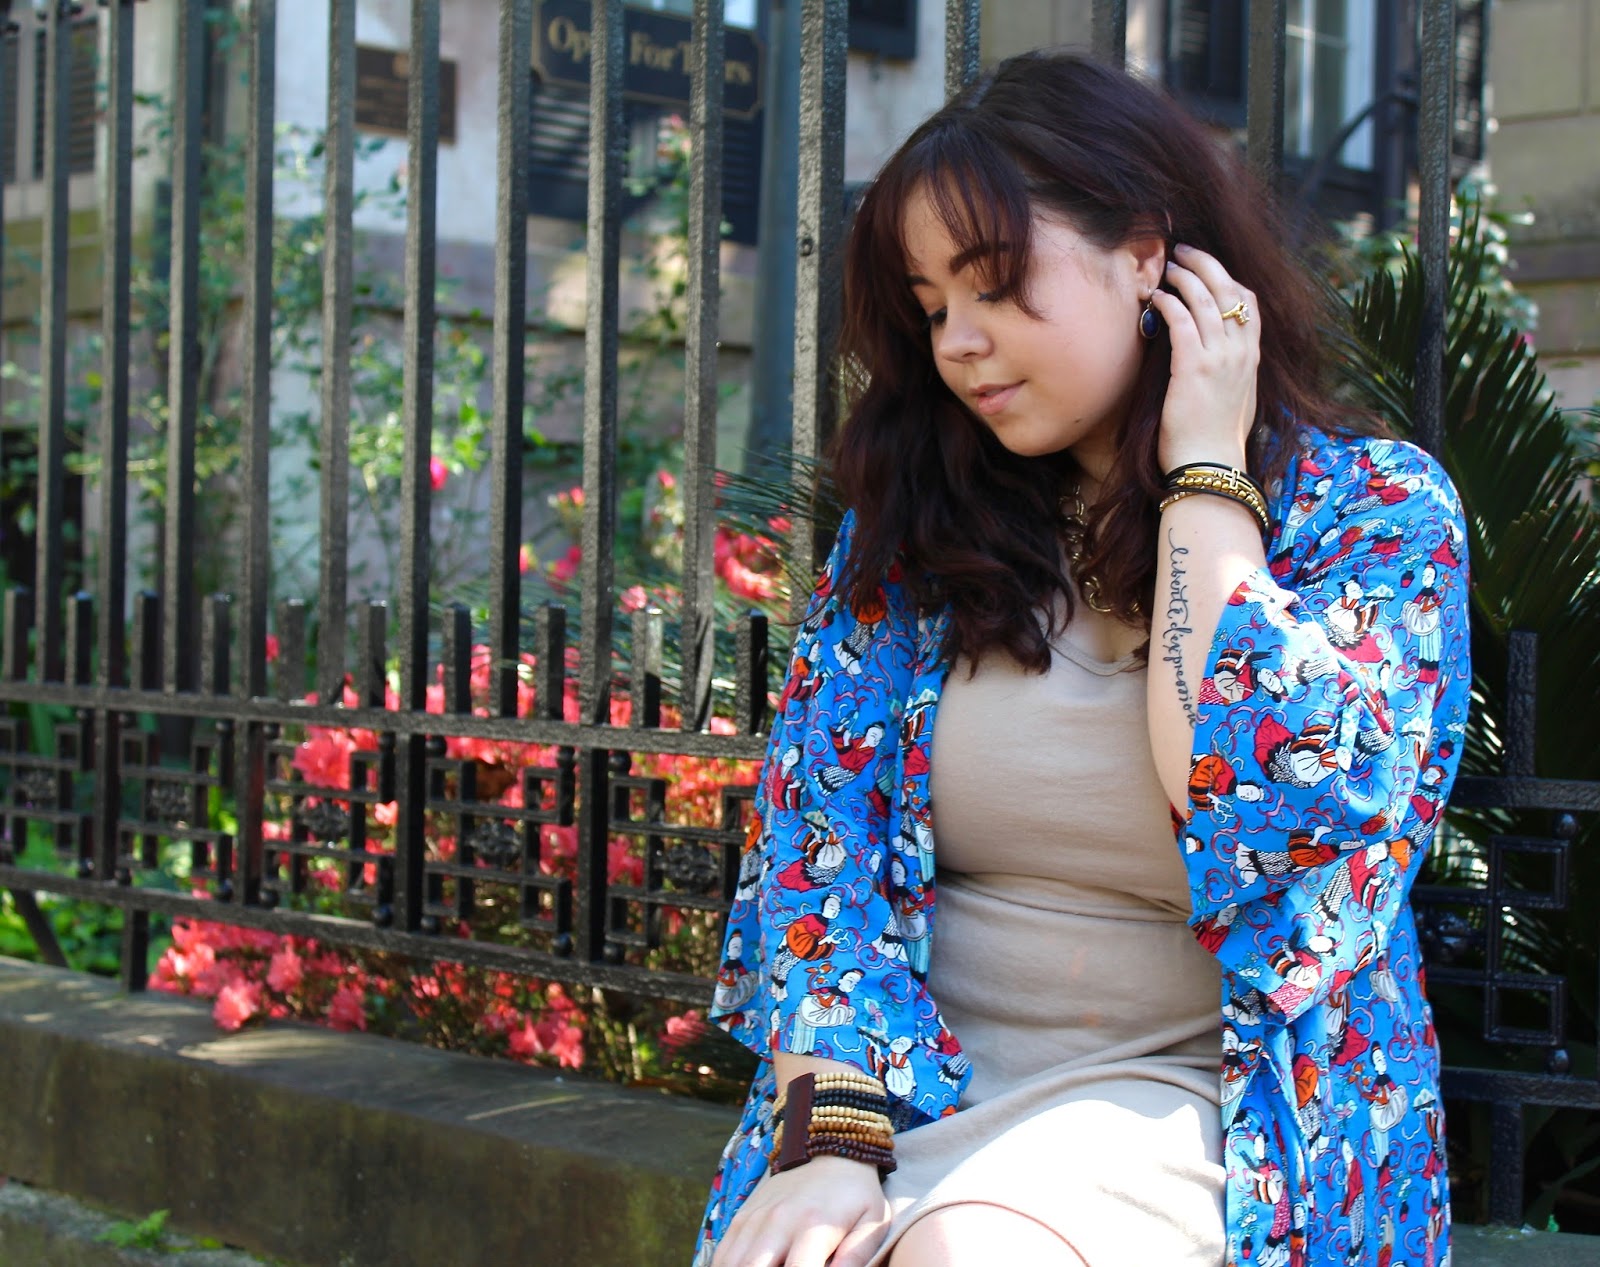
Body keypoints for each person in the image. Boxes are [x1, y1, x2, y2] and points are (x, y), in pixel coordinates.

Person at [695, 49, 1470, 1267]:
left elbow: (1261, 815)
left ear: (1146, 254)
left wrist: (1204, 476)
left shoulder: (1371, 515)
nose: (958, 342)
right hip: (909, 1093)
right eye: (931, 306)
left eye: (995, 284)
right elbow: (814, 851)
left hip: (1211, 1107)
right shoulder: (918, 531)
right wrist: (832, 1138)